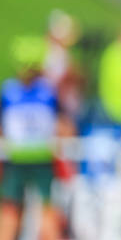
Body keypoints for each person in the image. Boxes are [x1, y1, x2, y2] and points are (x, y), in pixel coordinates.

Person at [0, 36, 68, 240]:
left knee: (42, 214)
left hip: (35, 159)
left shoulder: (14, 90)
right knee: (12, 213)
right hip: (25, 159)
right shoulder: (44, 91)